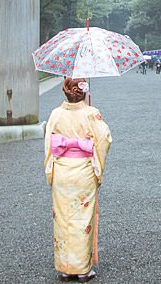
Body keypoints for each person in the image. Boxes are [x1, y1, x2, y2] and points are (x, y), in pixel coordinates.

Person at [44, 77, 112, 283]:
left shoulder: (56, 114)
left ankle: (65, 268)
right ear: (82, 92)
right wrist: (98, 168)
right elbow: (104, 139)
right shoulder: (91, 113)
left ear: (66, 92)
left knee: (63, 217)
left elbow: (49, 145)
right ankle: (82, 270)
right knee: (82, 219)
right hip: (83, 172)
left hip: (62, 172)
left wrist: (50, 172)